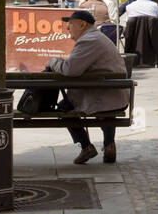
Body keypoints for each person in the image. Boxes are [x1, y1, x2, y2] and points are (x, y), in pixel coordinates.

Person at [47, 10, 129, 165]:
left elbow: (70, 69)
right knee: (106, 110)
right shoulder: (96, 37)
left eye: (70, 24)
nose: (67, 28)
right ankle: (109, 144)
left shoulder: (88, 40)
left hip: (105, 96)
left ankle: (86, 146)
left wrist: (52, 62)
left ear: (82, 24)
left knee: (64, 107)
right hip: (115, 95)